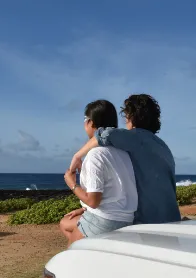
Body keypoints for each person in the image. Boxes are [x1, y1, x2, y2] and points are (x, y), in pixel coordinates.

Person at [69, 94, 180, 225]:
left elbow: (105, 134)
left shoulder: (134, 137)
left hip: (148, 222)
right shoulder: (163, 146)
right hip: (172, 218)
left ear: (131, 117)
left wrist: (77, 155)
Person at [59, 99, 139, 244]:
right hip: (127, 219)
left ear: (91, 122)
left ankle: (86, 252)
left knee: (72, 255)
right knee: (65, 223)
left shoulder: (95, 155)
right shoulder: (123, 153)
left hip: (105, 221)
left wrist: (71, 183)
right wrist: (84, 210)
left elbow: (93, 201)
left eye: (85, 119)